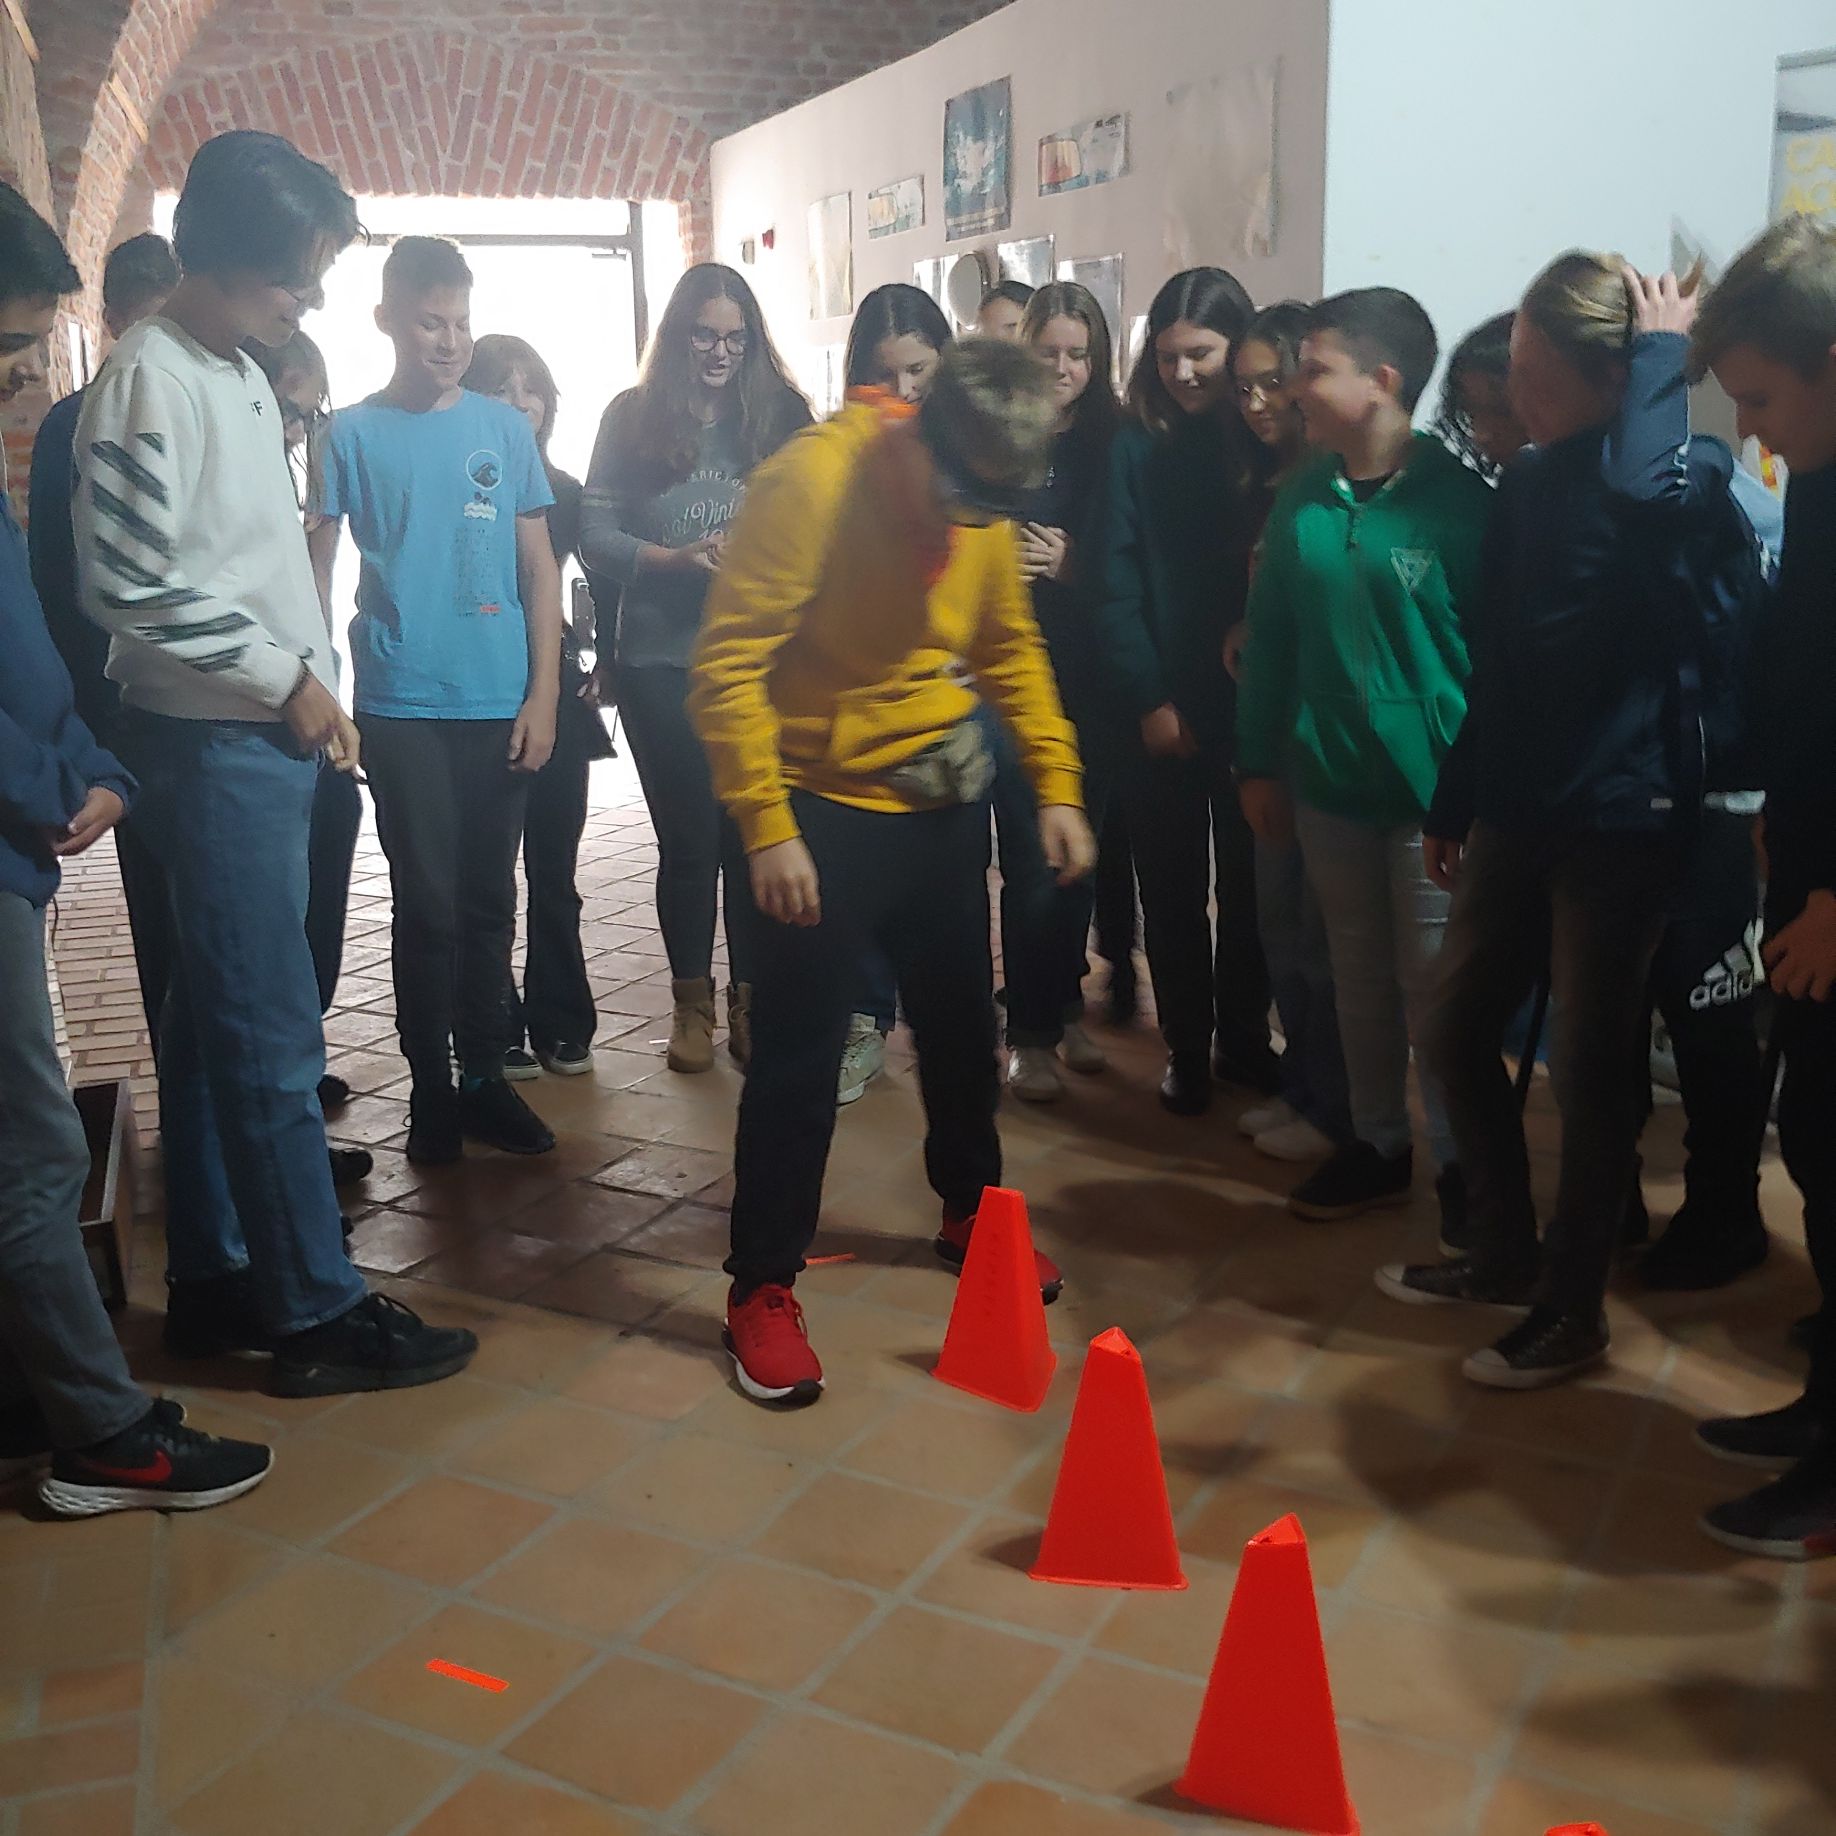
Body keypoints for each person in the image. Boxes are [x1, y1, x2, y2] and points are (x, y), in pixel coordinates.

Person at [75, 131, 477, 1394]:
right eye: (294, 274)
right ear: (225, 256)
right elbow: (126, 582)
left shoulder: (235, 370)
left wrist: (307, 680)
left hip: (253, 733)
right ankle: (314, 1312)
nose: (308, 298)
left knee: (212, 1026)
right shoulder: (148, 378)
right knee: (270, 1036)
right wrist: (285, 679)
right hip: (214, 742)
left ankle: (215, 1277)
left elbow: (246, 562)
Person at [1379, 255, 1760, 1391]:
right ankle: (1502, 1251)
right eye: (1513, 370)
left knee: (1592, 1075)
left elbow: (1648, 493)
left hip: (1624, 815)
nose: (1516, 394)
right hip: (1520, 808)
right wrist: (1458, 794)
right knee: (1454, 1028)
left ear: (1613, 376)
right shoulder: (1534, 482)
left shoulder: (1686, 471)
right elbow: (1502, 661)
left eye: (1538, 375)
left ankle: (1572, 1310)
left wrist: (1663, 353)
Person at [690, 339, 1094, 1405]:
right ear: (923, 435)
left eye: (997, 507)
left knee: (961, 1038)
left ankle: (974, 1216)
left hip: (941, 805)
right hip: (818, 810)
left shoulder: (984, 501)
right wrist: (768, 826)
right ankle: (761, 1286)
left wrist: (1056, 782)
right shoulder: (812, 486)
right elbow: (727, 667)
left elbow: (1008, 645)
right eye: (968, 498)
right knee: (800, 1059)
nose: (977, 523)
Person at [0, 180, 273, 1516]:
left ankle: (45, 1391)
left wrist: (88, 758)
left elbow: (30, 646)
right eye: (7, 349)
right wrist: (68, 774)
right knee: (34, 1153)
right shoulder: (123, 402)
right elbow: (106, 593)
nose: (19, 381)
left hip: (45, 802)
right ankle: (100, 1432)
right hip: (26, 815)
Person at [1238, 289, 1489, 1231]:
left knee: (1437, 992)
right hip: (1329, 784)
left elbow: (1494, 662)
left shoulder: (1461, 505)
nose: (1293, 390)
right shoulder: (1304, 494)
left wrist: (1474, 791)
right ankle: (1378, 1144)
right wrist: (1258, 762)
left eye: (1314, 370)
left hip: (1433, 800)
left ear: (1381, 381)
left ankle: (1466, 1168)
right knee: (1356, 979)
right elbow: (1270, 638)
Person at [310, 236, 564, 1165]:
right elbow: (315, 570)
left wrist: (544, 694)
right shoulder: (348, 434)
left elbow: (539, 568)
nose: (450, 341)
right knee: (428, 903)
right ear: (387, 320)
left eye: (460, 322)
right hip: (401, 701)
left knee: (492, 897)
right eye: (430, 323)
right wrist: (325, 691)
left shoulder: (503, 429)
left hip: (499, 698)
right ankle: (430, 1088)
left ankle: (485, 1075)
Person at [1689, 213, 1836, 1557]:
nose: (1751, 432)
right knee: (1819, 1141)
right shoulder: (1826, 480)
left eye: (1763, 399)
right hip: (1806, 863)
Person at [579, 265, 809, 1075]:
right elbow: (593, 538)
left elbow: (819, 523)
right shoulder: (632, 417)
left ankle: (751, 999)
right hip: (658, 661)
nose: (719, 352)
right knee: (688, 840)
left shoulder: (782, 414)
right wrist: (673, 559)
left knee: (752, 830)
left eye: (735, 338)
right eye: (705, 335)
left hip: (760, 664)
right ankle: (690, 1006)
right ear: (678, 336)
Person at [1092, 267, 1277, 1115]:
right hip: (1159, 705)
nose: (1183, 372)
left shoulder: (1265, 438)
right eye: (1167, 356)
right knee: (1169, 888)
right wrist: (1149, 698)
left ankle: (1244, 1037)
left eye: (1200, 353)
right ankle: (1186, 1047)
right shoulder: (1134, 442)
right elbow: (1114, 580)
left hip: (1250, 703)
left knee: (1249, 890)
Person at [1223, 301, 1353, 1164]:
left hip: (1330, 743)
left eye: (1276, 381)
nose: (1261, 402)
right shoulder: (1262, 482)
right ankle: (1305, 1086)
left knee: (1325, 939)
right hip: (1270, 733)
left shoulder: (1341, 481)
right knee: (1282, 927)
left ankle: (1337, 1108)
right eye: (1245, 388)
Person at [466, 332, 610, 1080]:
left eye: (534, 389)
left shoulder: (565, 489)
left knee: (555, 869)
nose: (523, 404)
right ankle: (491, 1024)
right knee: (487, 874)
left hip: (554, 687)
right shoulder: (460, 483)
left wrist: (604, 662)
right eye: (503, 388)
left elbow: (600, 580)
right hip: (479, 692)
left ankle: (562, 1019)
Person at [830, 283, 956, 1104]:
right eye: (886, 375)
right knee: (863, 890)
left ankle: (952, 1043)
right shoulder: (831, 463)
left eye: (919, 373)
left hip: (950, 708)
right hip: (860, 706)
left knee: (945, 906)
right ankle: (865, 1024)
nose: (904, 392)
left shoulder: (964, 454)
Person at [1001, 281, 1125, 1100]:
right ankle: (1031, 1031)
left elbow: (1139, 556)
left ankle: (1066, 1007)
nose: (1062, 368)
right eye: (1048, 351)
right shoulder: (998, 434)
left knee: (1079, 854)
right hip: (1015, 674)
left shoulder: (1115, 441)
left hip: (1093, 674)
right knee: (1028, 858)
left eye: (1078, 354)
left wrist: (1073, 564)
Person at [245, 331, 369, 1149]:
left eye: (312, 412)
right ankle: (281, 1109)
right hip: (251, 722)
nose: (302, 429)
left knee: (335, 826)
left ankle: (303, 1046)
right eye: (293, 410)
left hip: (307, 704)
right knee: (265, 927)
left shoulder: (297, 478)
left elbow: (315, 593)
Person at [29, 233, 177, 737]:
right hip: (98, 668)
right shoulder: (68, 424)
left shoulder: (198, 414)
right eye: (143, 328)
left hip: (183, 675)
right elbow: (53, 567)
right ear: (113, 322)